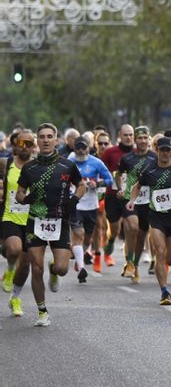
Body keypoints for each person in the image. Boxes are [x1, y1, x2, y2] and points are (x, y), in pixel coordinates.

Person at [14, 123, 85, 326]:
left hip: (59, 220)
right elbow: (19, 193)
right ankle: (42, 311)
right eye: (42, 136)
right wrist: (26, 199)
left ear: (56, 140)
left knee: (62, 268)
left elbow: (81, 185)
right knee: (36, 267)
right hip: (35, 221)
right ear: (37, 140)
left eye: (49, 136)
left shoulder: (67, 165)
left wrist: (74, 200)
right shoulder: (29, 168)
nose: (45, 140)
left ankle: (55, 270)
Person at [128, 137, 171, 306]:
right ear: (157, 150)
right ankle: (164, 291)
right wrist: (132, 201)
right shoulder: (149, 169)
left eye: (168, 150)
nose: (165, 153)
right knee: (159, 251)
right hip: (156, 215)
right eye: (162, 150)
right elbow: (136, 186)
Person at [69, 137, 114, 284]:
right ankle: (82, 268)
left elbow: (109, 180)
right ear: (74, 149)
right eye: (78, 148)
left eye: (83, 147)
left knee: (87, 237)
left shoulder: (96, 163)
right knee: (79, 234)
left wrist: (97, 183)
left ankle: (79, 256)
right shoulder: (69, 162)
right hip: (75, 204)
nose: (81, 150)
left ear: (88, 148)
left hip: (91, 205)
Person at [116, 126, 157, 283]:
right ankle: (130, 261)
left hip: (148, 201)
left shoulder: (154, 157)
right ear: (135, 140)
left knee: (141, 234)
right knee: (132, 227)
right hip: (130, 199)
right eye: (139, 138)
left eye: (145, 138)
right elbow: (118, 174)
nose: (143, 141)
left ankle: (135, 265)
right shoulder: (127, 158)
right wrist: (120, 188)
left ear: (149, 139)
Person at [2, 130, 35, 309]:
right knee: (14, 249)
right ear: (15, 145)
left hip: (31, 220)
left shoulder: (38, 166)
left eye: (29, 144)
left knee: (26, 266)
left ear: (33, 147)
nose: (25, 147)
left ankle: (15, 298)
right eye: (22, 143)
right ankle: (8, 270)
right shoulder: (5, 164)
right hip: (10, 216)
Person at [100, 124, 135, 269]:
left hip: (130, 196)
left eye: (131, 134)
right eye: (126, 134)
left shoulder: (137, 153)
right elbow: (102, 170)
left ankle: (130, 262)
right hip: (113, 196)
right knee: (115, 229)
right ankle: (111, 239)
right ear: (120, 135)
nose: (128, 137)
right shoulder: (110, 152)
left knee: (132, 226)